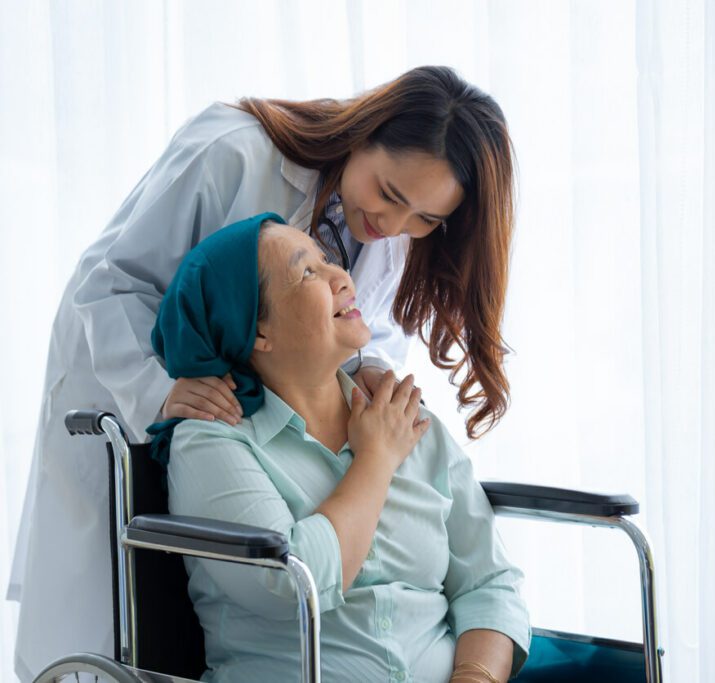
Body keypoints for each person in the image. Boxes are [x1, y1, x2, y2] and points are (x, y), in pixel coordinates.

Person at [8, 66, 516, 681]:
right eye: (389, 193)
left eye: (425, 221)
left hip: (285, 431)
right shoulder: (235, 151)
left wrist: (372, 374)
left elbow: (491, 579)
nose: (394, 226)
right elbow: (108, 285)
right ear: (365, 132)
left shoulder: (382, 235)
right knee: (120, 624)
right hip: (160, 411)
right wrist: (158, 391)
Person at [159, 214, 529, 682]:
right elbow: (290, 585)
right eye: (306, 272)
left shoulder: (405, 415)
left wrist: (474, 677)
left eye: (327, 260)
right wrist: (375, 460)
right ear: (256, 331)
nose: (341, 277)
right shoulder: (212, 439)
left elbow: (489, 582)